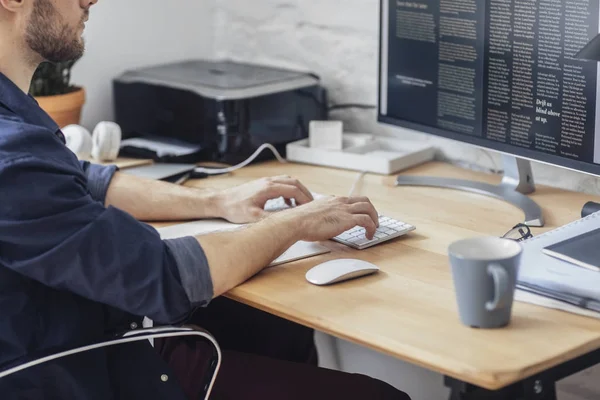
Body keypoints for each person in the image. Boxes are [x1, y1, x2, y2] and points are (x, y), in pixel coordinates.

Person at [0, 0, 412, 399]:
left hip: (70, 344)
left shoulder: (15, 133)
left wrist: (217, 201)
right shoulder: (14, 158)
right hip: (82, 374)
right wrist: (296, 222)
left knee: (272, 328)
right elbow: (164, 280)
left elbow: (87, 182)